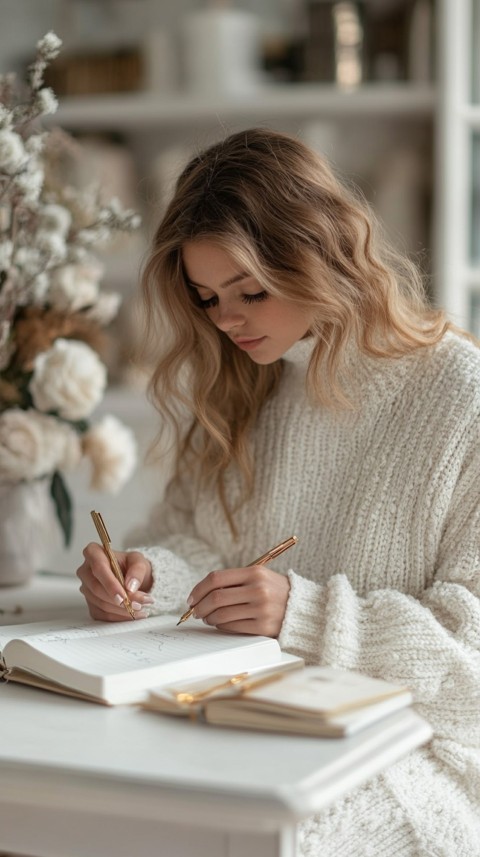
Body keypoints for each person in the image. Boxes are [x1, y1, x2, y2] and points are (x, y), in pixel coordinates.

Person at [77, 128, 480, 855]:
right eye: (205, 298)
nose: (226, 320)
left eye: (249, 292)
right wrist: (150, 574)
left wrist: (307, 612)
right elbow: (202, 537)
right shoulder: (251, 385)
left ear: (319, 253)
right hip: (259, 723)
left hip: (423, 751)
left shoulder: (458, 393)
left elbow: (471, 656)